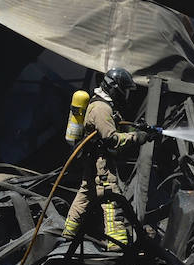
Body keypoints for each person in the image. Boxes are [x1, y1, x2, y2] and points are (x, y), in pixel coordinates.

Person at [63, 68, 152, 250]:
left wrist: (138, 129)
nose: (125, 95)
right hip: (100, 161)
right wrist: (137, 137)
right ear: (114, 88)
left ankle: (68, 232)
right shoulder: (102, 108)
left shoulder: (104, 104)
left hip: (93, 157)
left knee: (86, 192)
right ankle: (117, 243)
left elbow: (116, 127)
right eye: (124, 90)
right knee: (111, 196)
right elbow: (111, 139)